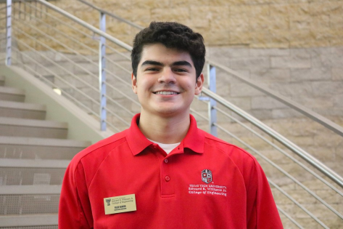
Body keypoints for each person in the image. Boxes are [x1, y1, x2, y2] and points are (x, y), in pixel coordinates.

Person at [58, 21, 283, 228]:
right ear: (134, 81)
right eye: (153, 68)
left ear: (198, 83)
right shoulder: (86, 168)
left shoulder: (242, 167)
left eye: (180, 69)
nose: (167, 77)